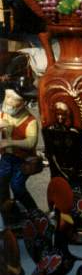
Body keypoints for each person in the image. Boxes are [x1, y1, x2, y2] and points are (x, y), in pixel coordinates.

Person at [0, 89, 39, 226]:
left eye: (12, 104)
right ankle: (9, 213)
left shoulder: (30, 121)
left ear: (22, 104)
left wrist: (10, 142)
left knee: (17, 186)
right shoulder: (4, 113)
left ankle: (34, 212)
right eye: (7, 101)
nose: (8, 106)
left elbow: (31, 143)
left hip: (22, 159)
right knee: (1, 182)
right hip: (7, 157)